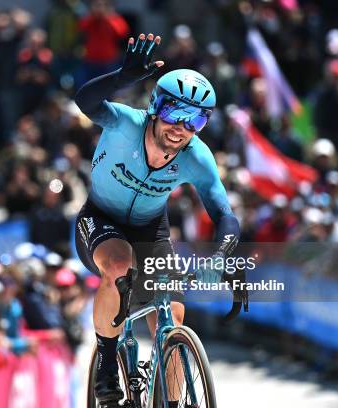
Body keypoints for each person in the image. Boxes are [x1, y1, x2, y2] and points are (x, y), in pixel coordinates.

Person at [74, 33, 243, 406]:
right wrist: (122, 76)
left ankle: (170, 399)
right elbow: (85, 100)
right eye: (173, 113)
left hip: (151, 228)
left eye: (194, 120)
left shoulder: (197, 157)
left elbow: (223, 214)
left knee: (174, 317)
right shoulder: (124, 123)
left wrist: (223, 255)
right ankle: (106, 359)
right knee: (118, 265)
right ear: (155, 107)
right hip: (101, 219)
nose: (180, 127)